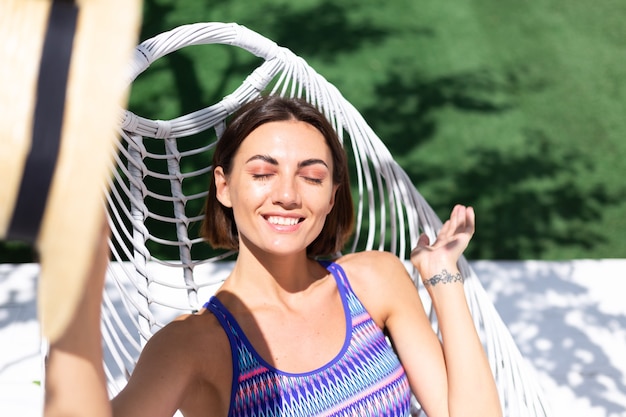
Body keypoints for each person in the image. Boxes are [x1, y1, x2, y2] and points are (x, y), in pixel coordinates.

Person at [44, 95, 502, 417]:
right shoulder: (192, 347)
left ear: (332, 195)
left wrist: (442, 275)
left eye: (312, 176)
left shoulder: (375, 281)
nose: (287, 195)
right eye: (263, 173)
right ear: (224, 186)